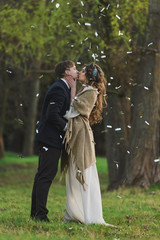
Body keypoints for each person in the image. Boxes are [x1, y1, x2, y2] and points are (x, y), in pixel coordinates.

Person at [61, 63, 114, 226]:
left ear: (90, 75)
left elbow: (77, 110)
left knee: (83, 170)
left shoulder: (91, 91)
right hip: (77, 131)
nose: (80, 72)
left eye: (83, 71)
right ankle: (75, 212)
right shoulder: (86, 89)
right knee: (74, 170)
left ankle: (91, 215)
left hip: (81, 134)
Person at [31, 60, 78, 222]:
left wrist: (73, 90)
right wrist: (67, 128)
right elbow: (52, 115)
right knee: (45, 176)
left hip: (50, 139)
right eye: (74, 69)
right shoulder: (58, 88)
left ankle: (35, 213)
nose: (76, 71)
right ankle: (40, 215)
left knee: (41, 176)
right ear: (66, 72)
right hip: (49, 139)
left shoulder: (64, 87)